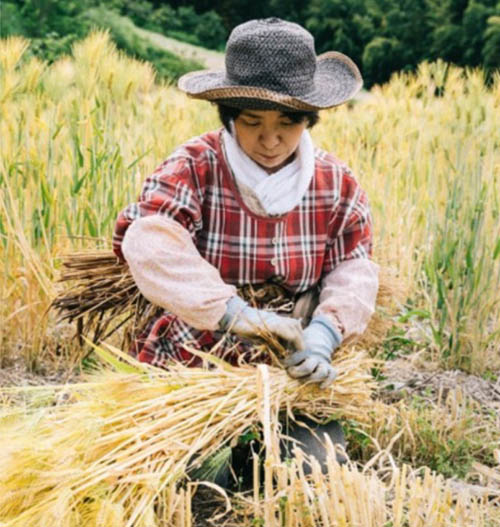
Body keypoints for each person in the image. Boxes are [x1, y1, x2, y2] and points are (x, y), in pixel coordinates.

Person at [112, 17, 379, 476]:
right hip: (197, 357)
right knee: (195, 476)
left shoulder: (336, 183)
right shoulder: (194, 166)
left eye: (288, 122)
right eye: (252, 121)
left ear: (309, 118)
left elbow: (353, 268)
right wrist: (236, 315)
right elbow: (151, 240)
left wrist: (323, 337)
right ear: (229, 115)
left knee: (317, 473)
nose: (270, 140)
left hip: (290, 364)